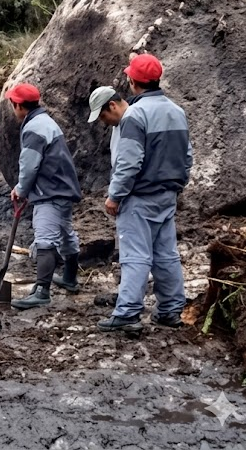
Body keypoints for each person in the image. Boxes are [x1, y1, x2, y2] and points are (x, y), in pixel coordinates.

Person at [97, 54, 193, 332]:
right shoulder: (176, 111)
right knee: (166, 255)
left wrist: (115, 195)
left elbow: (129, 163)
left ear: (133, 82)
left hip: (139, 198)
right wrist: (177, 185)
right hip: (167, 195)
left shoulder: (134, 115)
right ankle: (170, 310)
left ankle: (128, 313)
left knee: (135, 256)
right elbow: (187, 157)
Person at [3, 84, 83, 309]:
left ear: (19, 106)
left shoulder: (34, 128)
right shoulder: (46, 121)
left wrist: (21, 189)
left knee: (45, 239)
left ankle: (42, 291)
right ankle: (69, 278)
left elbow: (29, 165)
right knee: (65, 233)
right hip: (63, 188)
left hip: (50, 190)